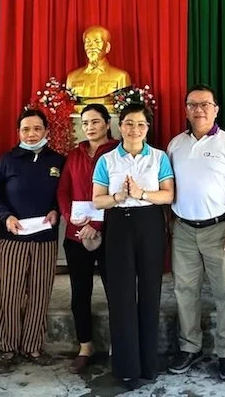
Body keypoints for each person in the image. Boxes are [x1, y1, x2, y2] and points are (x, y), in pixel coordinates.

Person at [166, 84, 225, 381]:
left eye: (205, 104)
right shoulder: (175, 145)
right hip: (184, 230)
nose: (198, 110)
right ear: (186, 110)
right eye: (192, 105)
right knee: (184, 291)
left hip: (221, 229)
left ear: (216, 109)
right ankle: (189, 346)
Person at [92, 104, 175, 391]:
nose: (134, 129)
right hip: (118, 225)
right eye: (129, 123)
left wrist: (142, 193)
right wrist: (118, 196)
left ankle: (148, 365)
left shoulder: (159, 157)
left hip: (149, 223)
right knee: (121, 295)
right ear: (120, 126)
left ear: (148, 128)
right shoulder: (107, 159)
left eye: (140, 124)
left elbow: (168, 195)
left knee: (150, 292)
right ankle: (126, 367)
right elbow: (97, 200)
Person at [0, 109, 64, 374]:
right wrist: (5, 217)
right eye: (26, 129)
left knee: (40, 292)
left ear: (47, 131)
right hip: (13, 237)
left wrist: (56, 210)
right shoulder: (7, 161)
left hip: (45, 237)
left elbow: (64, 194)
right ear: (18, 132)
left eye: (37, 129)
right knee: (11, 292)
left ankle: (32, 346)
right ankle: (8, 347)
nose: (31, 134)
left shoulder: (57, 161)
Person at [56, 104, 118, 373]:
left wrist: (96, 224)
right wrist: (71, 219)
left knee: (116, 291)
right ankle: (85, 346)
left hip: (110, 233)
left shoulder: (118, 152)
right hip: (77, 234)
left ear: (107, 124)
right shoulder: (73, 155)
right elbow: (63, 191)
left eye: (95, 121)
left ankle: (119, 344)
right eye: (85, 123)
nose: (90, 127)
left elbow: (120, 194)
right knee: (80, 292)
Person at [65, 25, 132, 108]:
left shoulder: (121, 77)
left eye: (97, 42)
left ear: (107, 47)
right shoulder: (72, 77)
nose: (91, 46)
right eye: (87, 42)